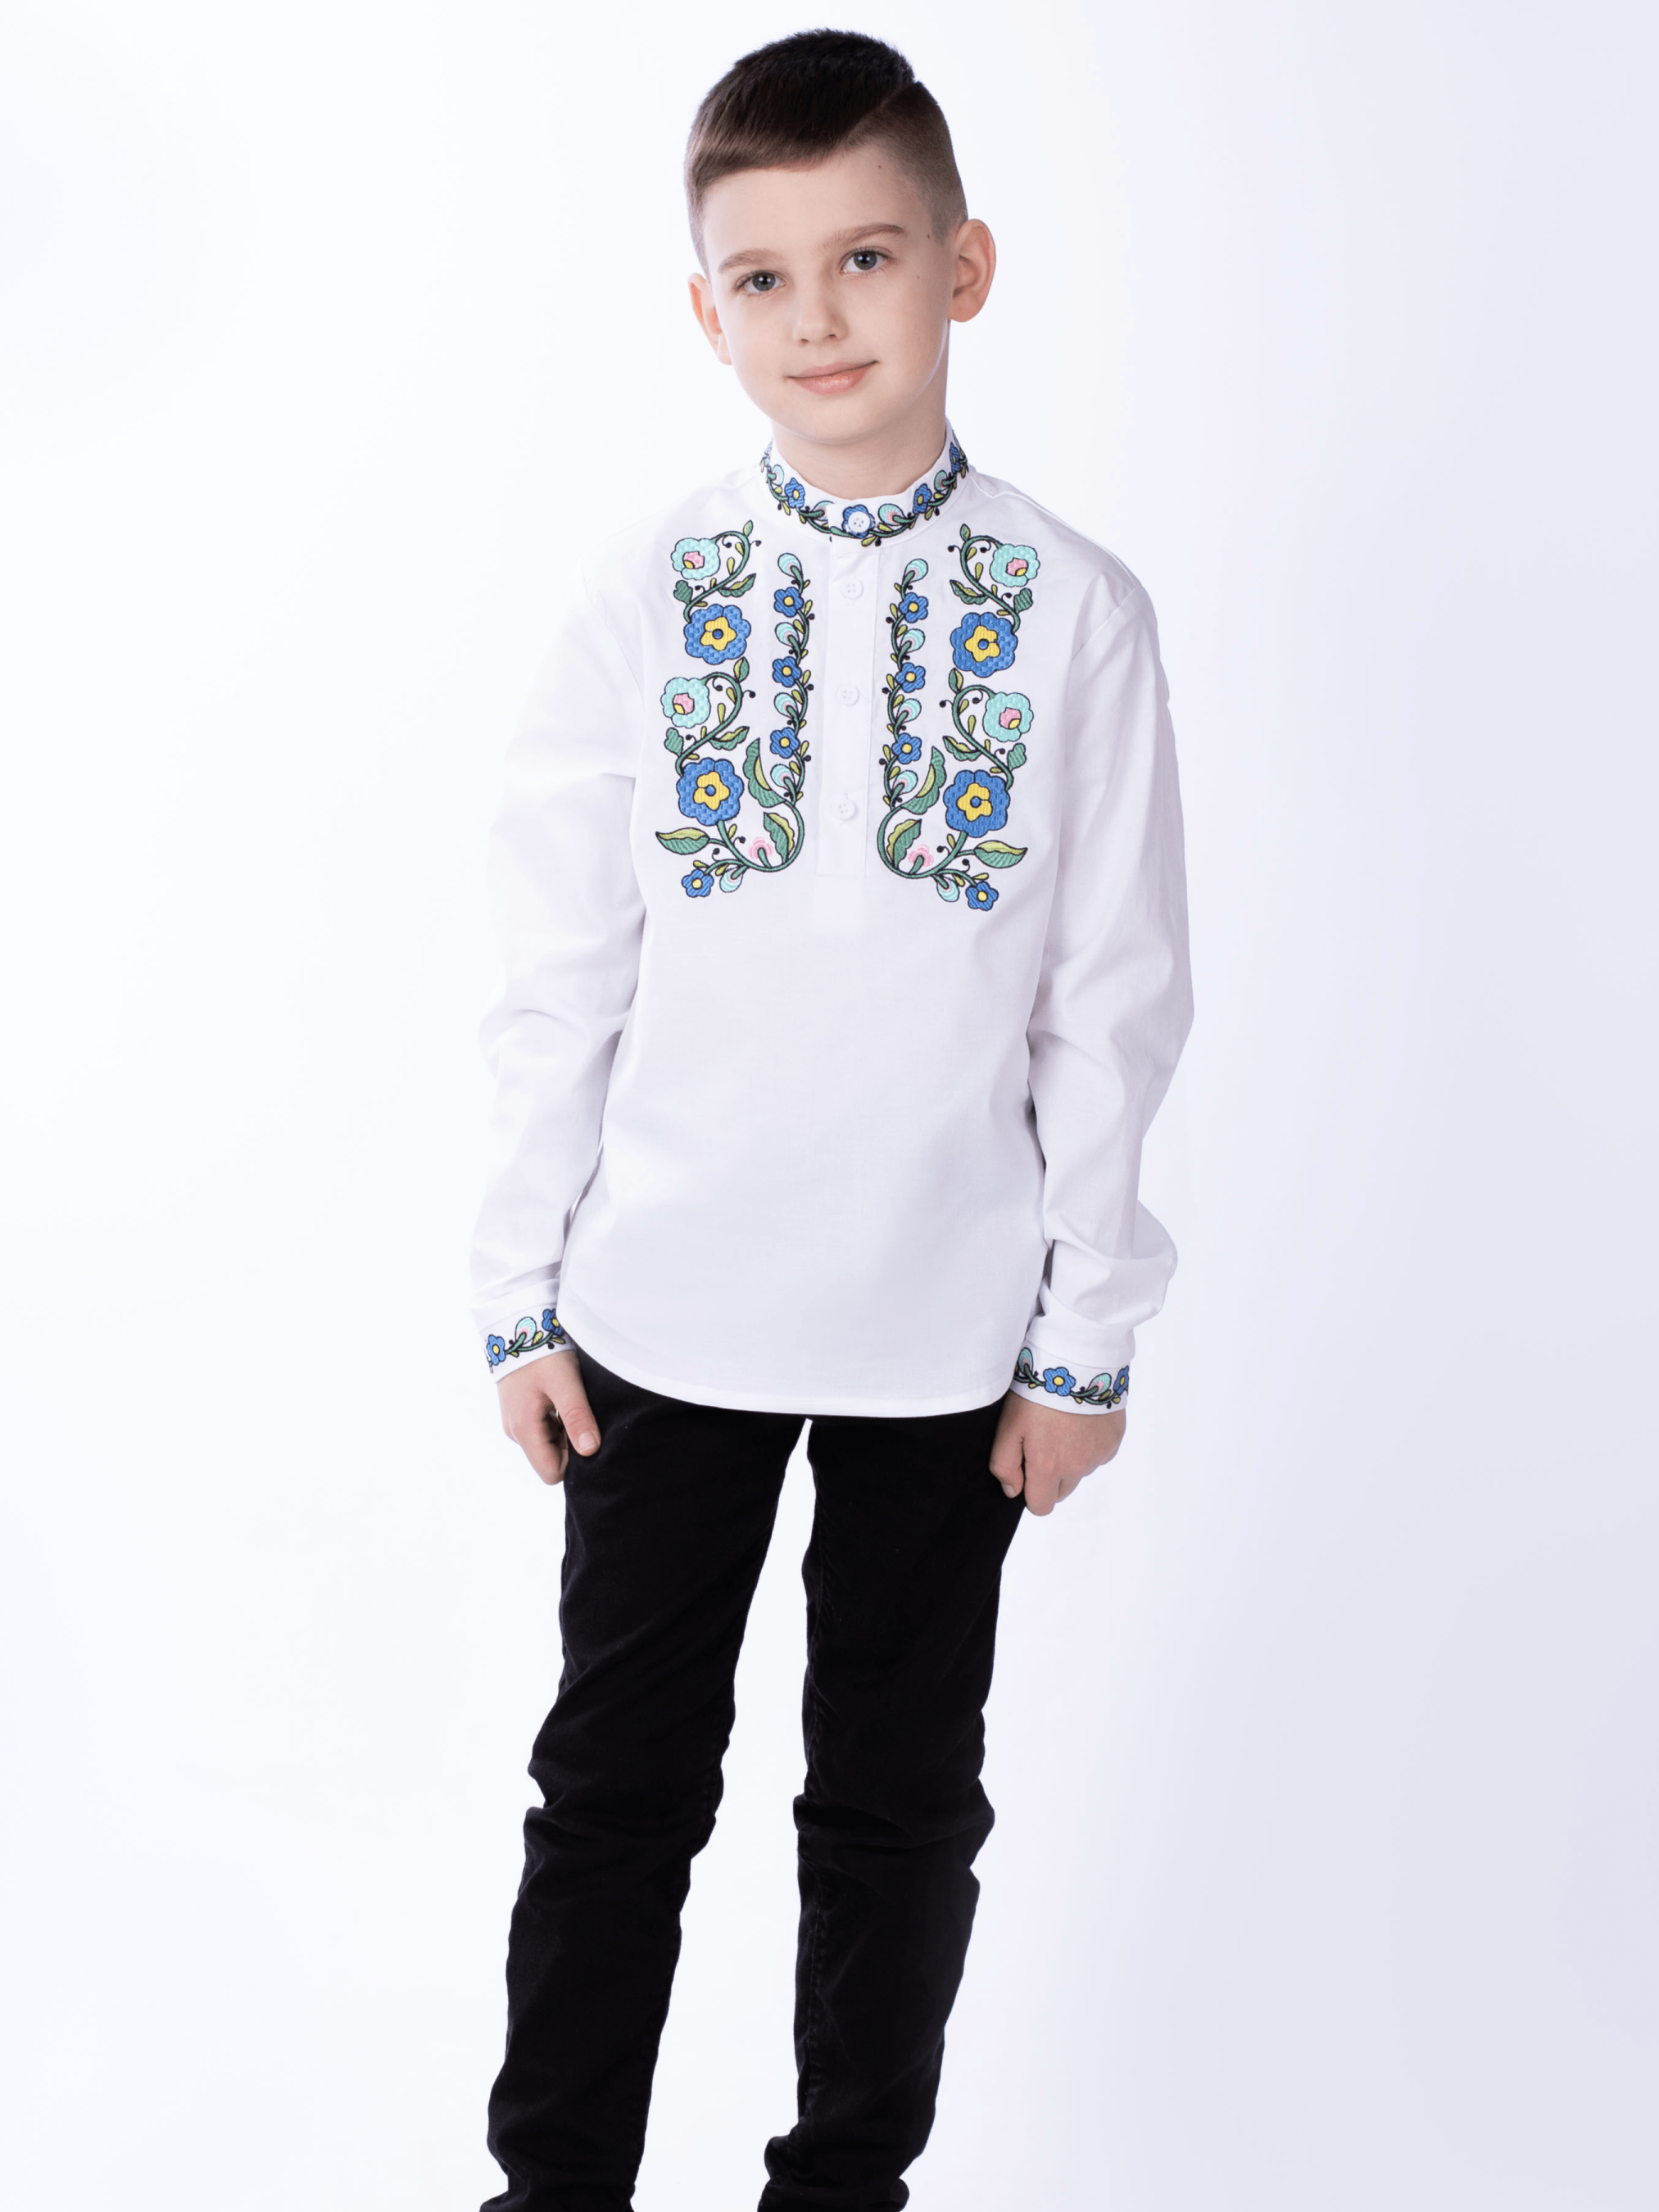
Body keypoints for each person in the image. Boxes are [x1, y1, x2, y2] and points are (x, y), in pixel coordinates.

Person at [469, 29, 1192, 2211]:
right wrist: (520, 1293)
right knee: (615, 1785)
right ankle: (553, 2183)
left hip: (946, 1330)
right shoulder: (649, 587)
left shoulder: (1077, 613)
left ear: (963, 267)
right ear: (707, 314)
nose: (818, 318)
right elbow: (559, 967)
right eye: (762, 278)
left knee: (895, 1801)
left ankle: (844, 2185)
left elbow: (1113, 999)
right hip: (660, 1314)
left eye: (865, 257)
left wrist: (1084, 1341)